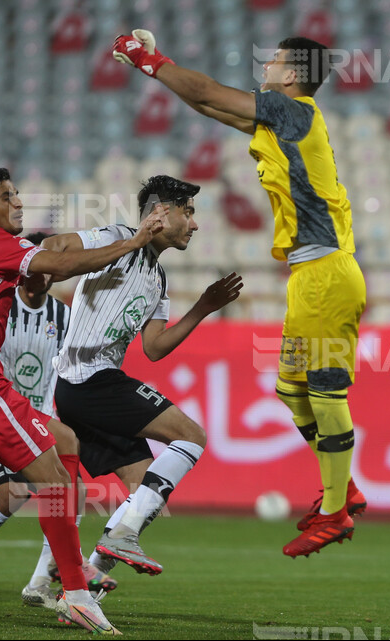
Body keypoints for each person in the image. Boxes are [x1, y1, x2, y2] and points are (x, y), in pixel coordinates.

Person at [111, 30, 368, 558]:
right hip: (307, 277)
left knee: (324, 390)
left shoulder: (295, 110)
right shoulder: (282, 123)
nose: (266, 64)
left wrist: (150, 61)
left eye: (273, 60)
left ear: (292, 75)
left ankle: (337, 510)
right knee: (291, 392)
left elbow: (207, 92)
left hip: (326, 275)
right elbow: (210, 106)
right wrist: (162, 74)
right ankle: (344, 487)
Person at [0, 167, 166, 633]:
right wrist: (135, 241)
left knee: (64, 442)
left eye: (17, 194)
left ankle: (53, 574)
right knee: (56, 485)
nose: (17, 202)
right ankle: (75, 592)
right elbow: (62, 265)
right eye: (6, 197)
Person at [44, 175, 242, 577]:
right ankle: (118, 540)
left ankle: (84, 586)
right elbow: (54, 247)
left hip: (87, 389)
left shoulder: (158, 277)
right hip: (88, 379)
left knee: (144, 495)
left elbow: (153, 348)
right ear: (161, 212)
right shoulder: (115, 236)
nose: (195, 223)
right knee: (193, 436)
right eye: (188, 212)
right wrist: (32, 268)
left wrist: (203, 307)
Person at [0, 233, 117, 608]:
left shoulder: (63, 316)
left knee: (67, 492)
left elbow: (71, 366)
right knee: (14, 494)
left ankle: (39, 583)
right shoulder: (0, 304)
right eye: (40, 264)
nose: (46, 274)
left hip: (38, 416)